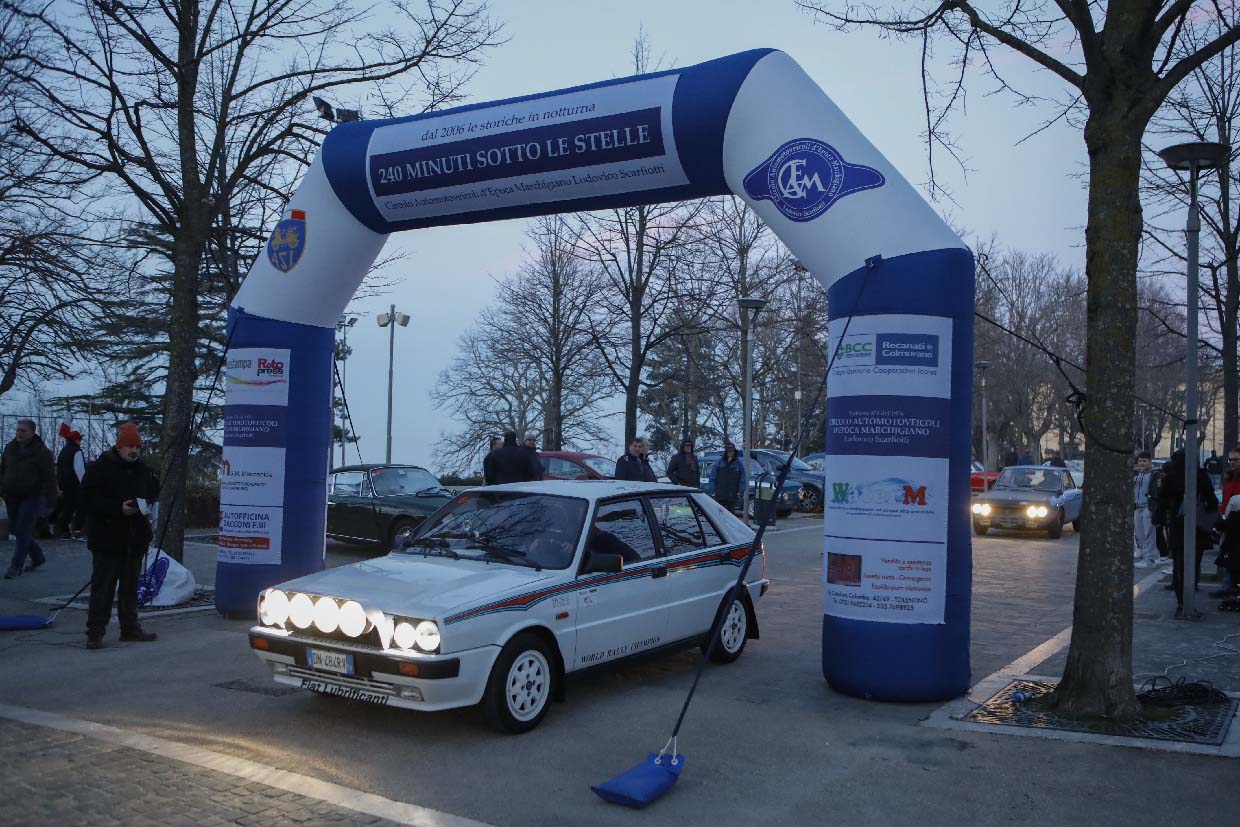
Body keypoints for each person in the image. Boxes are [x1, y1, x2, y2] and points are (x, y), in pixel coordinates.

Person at [80, 422, 160, 648]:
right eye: (129, 446)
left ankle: (130, 628)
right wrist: (117, 508)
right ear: (119, 446)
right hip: (107, 538)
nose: (134, 450)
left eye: (137, 446)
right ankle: (95, 632)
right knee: (102, 588)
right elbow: (87, 500)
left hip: (134, 539)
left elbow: (153, 492)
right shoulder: (100, 468)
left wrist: (145, 504)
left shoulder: (143, 469)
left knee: (129, 588)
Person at [1155, 449, 1218, 617]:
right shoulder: (1200, 476)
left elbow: (1161, 503)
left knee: (1179, 564)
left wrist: (1160, 519)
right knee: (1194, 561)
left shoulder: (1170, 478)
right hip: (1196, 525)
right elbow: (1212, 501)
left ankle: (1181, 602)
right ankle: (1190, 592)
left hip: (1177, 524)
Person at [1, 419, 58, 578]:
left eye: (23, 430)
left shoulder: (41, 452)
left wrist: (51, 501)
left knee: (23, 528)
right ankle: (38, 556)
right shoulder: (10, 448)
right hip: (11, 495)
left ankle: (16, 566)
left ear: (32, 432)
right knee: (14, 528)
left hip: (32, 496)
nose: (19, 433)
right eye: (18, 430)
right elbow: (3, 469)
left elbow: (50, 477)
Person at [52, 423, 86, 538]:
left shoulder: (64, 450)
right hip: (73, 484)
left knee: (65, 505)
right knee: (72, 507)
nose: (81, 441)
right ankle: (65, 527)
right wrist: (85, 483)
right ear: (76, 439)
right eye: (80, 438)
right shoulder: (77, 451)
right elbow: (79, 469)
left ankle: (60, 526)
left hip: (63, 482)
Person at [1132, 452, 1158, 569]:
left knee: (1149, 533)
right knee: (1140, 533)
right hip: (1137, 507)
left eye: (1144, 461)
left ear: (1150, 462)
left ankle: (1150, 559)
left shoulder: (1154, 474)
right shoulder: (1136, 475)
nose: (1142, 463)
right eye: (1140, 461)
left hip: (1148, 507)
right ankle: (1144, 556)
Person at [709, 444, 747, 513]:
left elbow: (743, 479)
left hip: (732, 494)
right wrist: (713, 490)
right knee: (719, 514)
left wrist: (740, 491)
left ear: (734, 451)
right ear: (726, 452)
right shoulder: (719, 462)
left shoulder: (739, 463)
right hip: (720, 494)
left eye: (731, 451)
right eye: (729, 451)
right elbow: (712, 477)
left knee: (731, 515)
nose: (730, 453)